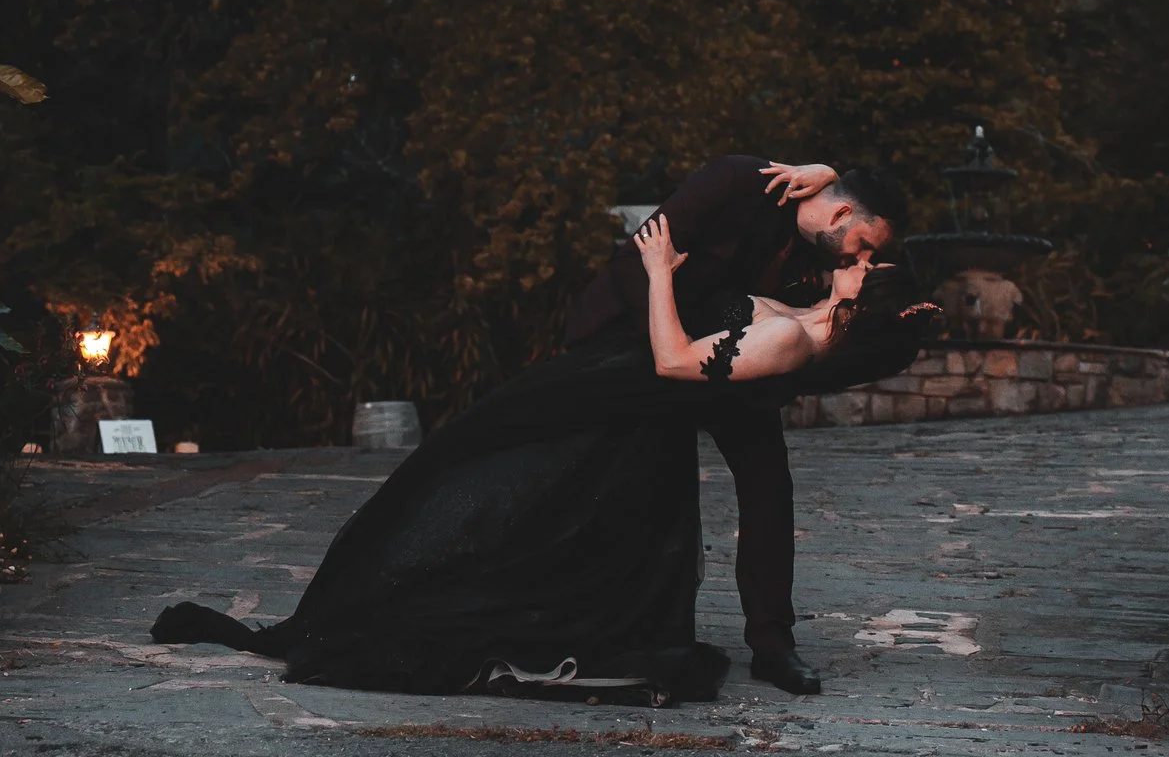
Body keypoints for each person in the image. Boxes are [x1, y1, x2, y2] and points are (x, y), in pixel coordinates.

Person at [150, 212, 937, 706]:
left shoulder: (791, 337)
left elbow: (672, 362)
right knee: (487, 480)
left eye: (869, 268)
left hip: (619, 393)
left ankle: (396, 603)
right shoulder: (806, 317)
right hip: (608, 389)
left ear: (856, 307)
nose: (858, 257)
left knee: (481, 477)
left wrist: (660, 275)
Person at [565, 156, 911, 695]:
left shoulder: (821, 235)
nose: (862, 258)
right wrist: (661, 365)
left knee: (770, 483)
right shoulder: (734, 184)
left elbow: (874, 202)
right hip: (638, 341)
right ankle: (629, 623)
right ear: (841, 211)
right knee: (640, 482)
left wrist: (832, 166)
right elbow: (644, 258)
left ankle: (773, 645)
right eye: (863, 246)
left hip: (731, 363)